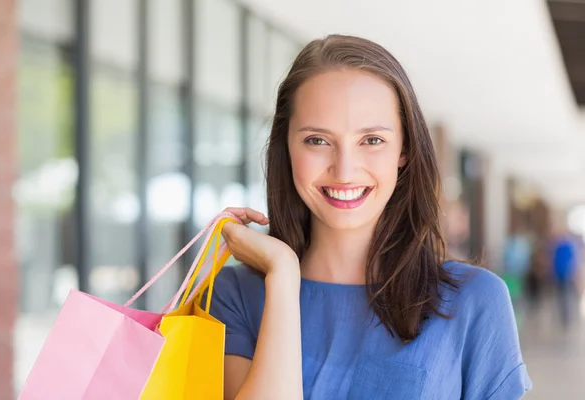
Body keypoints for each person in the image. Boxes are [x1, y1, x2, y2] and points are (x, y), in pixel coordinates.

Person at [209, 35, 532, 399]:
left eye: (372, 140)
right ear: (286, 147)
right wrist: (282, 274)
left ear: (404, 148)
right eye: (317, 140)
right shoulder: (235, 294)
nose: (344, 170)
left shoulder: (475, 301)